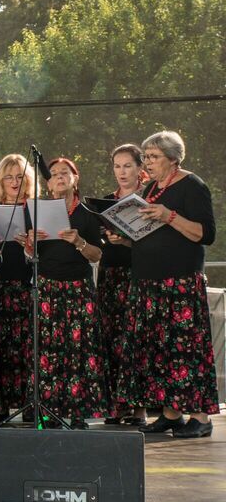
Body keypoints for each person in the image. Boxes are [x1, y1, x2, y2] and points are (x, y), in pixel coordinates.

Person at [114, 131, 218, 438]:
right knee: (160, 349)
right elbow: (151, 230)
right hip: (149, 282)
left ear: (173, 159)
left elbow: (205, 233)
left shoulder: (192, 186)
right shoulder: (151, 188)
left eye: (153, 157)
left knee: (185, 349)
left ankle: (200, 417)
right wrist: (126, 236)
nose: (147, 162)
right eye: (145, 156)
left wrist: (168, 215)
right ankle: (171, 413)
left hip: (179, 282)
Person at [17, 158, 105, 428]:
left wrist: (78, 241)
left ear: (75, 178)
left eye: (64, 173)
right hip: (46, 287)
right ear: (48, 183)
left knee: (78, 350)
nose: (59, 177)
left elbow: (97, 254)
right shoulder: (35, 210)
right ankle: (47, 412)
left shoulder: (88, 212)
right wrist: (29, 246)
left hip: (78, 287)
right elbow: (32, 257)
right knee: (47, 350)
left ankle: (78, 413)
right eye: (53, 174)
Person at [0, 154, 35, 423]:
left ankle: (30, 405)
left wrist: (30, 246)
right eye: (9, 176)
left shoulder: (34, 209)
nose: (14, 181)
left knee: (27, 347)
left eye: (19, 176)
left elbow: (46, 253)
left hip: (27, 286)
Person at [98, 144, 147, 425]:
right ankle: (116, 408)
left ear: (140, 168)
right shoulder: (106, 201)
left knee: (134, 341)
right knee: (111, 340)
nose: (122, 171)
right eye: (117, 166)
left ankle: (139, 410)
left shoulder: (148, 199)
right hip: (109, 275)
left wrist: (127, 240)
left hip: (137, 275)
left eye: (127, 165)